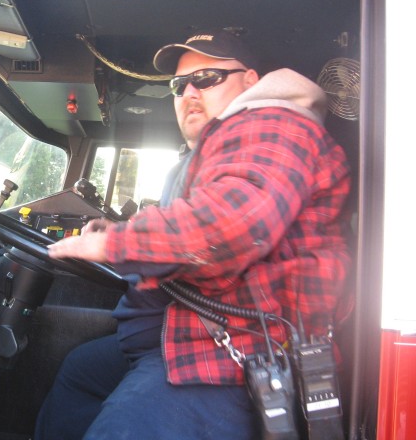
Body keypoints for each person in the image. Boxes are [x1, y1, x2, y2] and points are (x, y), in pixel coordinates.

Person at [35, 29, 352, 439]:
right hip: (180, 333)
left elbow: (233, 223)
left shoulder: (273, 122)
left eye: (207, 78)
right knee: (79, 372)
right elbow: (206, 214)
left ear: (251, 81)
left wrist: (114, 243)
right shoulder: (225, 144)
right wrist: (122, 231)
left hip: (229, 355)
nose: (189, 92)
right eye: (179, 85)